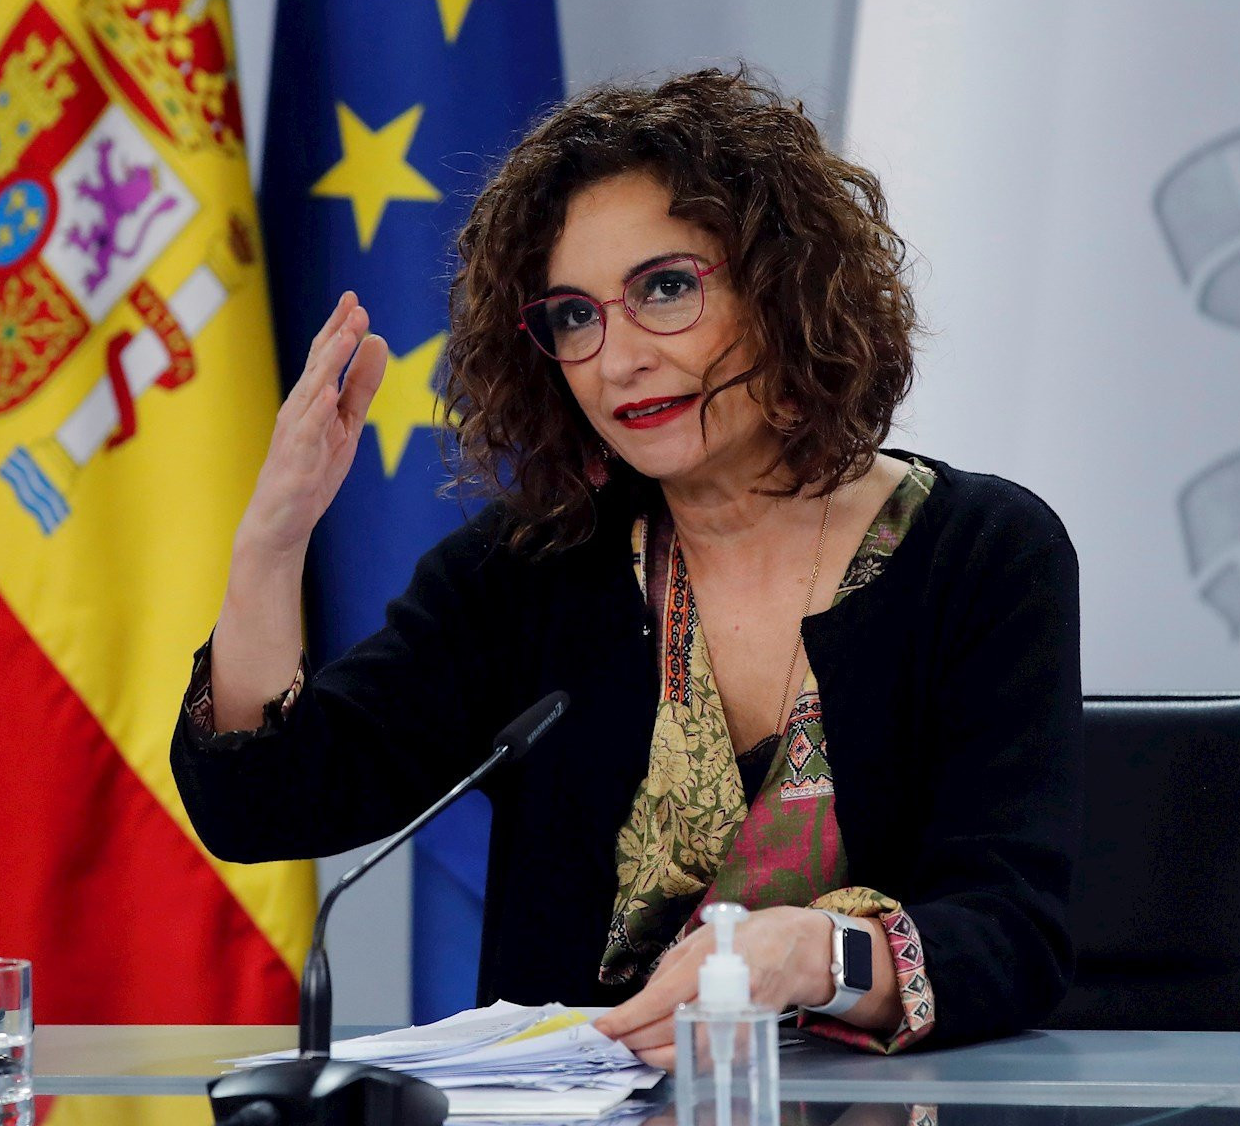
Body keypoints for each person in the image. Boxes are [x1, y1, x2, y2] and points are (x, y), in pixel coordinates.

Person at [171, 68, 1081, 1064]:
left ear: (784, 285)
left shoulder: (983, 554)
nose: (616, 359)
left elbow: (1016, 932)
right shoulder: (533, 570)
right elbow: (261, 805)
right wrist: (271, 540)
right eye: (574, 315)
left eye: (666, 290)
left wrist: (815, 953)